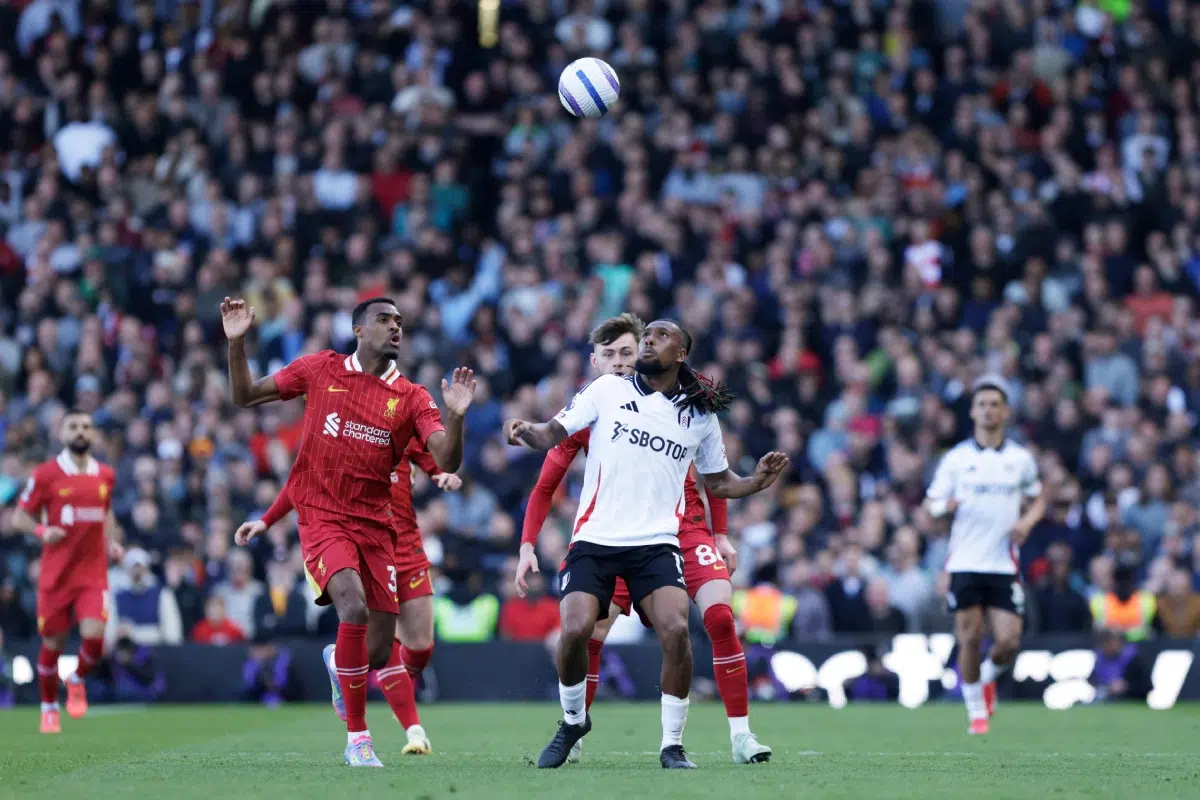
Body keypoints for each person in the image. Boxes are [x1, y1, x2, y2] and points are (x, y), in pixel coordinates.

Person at [504, 319, 788, 769]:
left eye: (660, 336)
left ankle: (672, 745)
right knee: (575, 631)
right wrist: (526, 432)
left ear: (680, 354)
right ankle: (573, 721)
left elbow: (717, 482)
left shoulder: (699, 416)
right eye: (647, 335)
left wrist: (756, 483)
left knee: (677, 630)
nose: (648, 341)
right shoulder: (605, 391)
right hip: (595, 539)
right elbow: (551, 433)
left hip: (658, 544)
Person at [224, 296, 475, 767]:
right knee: (353, 608)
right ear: (358, 330)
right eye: (384, 320)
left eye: (400, 321)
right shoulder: (320, 369)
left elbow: (444, 459)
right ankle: (358, 740)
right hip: (323, 517)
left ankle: (339, 665)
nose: (396, 327)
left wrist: (457, 415)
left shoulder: (413, 396)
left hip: (379, 528)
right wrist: (237, 344)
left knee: (378, 653)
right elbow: (244, 395)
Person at [241, 437, 462, 756]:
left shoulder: (397, 414)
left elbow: (427, 450)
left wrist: (437, 472)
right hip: (368, 549)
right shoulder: (335, 431)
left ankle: (340, 661)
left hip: (408, 549)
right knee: (385, 646)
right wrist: (266, 521)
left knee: (420, 646)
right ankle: (412, 730)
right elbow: (298, 482)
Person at [924, 376, 1046, 735]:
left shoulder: (1020, 459)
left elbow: (1037, 498)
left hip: (1002, 564)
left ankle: (987, 679)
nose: (989, 410)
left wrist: (1027, 521)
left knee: (1009, 641)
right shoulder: (957, 459)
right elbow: (930, 503)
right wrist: (942, 506)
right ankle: (976, 711)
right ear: (973, 412)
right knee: (970, 637)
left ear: (1005, 411)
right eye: (983, 404)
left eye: (995, 404)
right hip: (964, 562)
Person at [11, 410, 124, 734]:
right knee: (53, 645)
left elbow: (106, 514)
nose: (80, 431)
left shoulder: (105, 474)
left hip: (92, 573)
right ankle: (48, 707)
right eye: (73, 426)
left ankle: (75, 679)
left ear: (93, 435)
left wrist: (112, 544)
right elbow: (20, 517)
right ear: (61, 434)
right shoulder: (46, 475)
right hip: (56, 575)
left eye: (86, 427)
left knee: (95, 640)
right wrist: (43, 532)